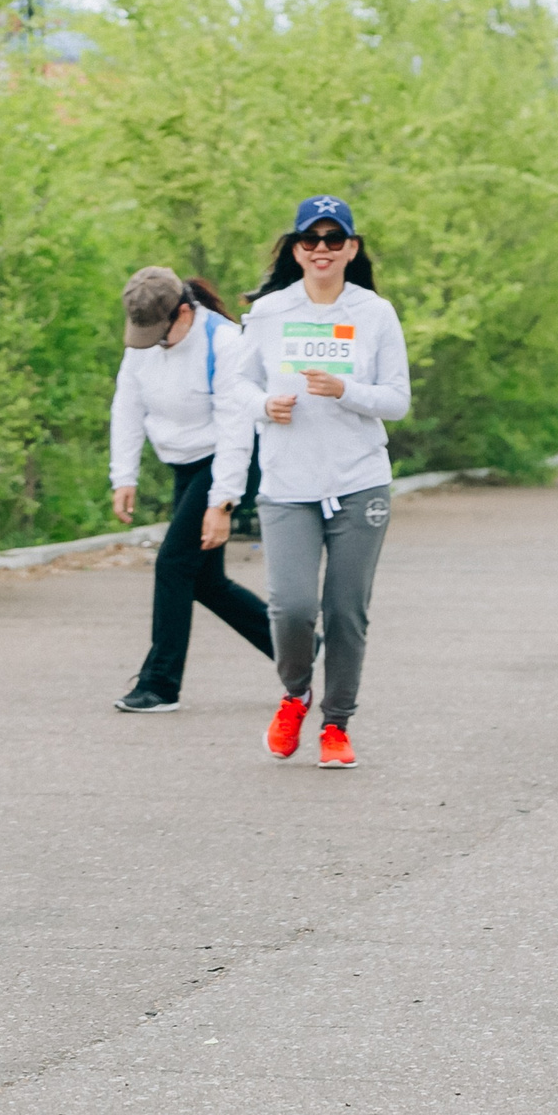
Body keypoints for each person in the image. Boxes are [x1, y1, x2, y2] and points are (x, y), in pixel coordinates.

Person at [209, 197, 412, 768]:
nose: (321, 249)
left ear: (351, 248)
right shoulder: (271, 312)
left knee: (346, 610)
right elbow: (238, 387)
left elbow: (397, 400)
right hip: (288, 484)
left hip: (359, 482)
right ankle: (295, 694)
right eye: (310, 240)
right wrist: (263, 404)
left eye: (333, 239)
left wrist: (346, 390)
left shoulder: (375, 313)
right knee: (293, 608)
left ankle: (336, 725)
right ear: (296, 250)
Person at [108, 267, 275, 713]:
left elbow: (237, 428)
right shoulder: (146, 340)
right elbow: (128, 403)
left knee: (174, 564)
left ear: (184, 313)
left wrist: (221, 503)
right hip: (182, 462)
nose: (154, 345)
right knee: (207, 581)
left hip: (225, 459)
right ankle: (302, 650)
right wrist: (124, 476)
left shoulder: (223, 342)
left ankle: (159, 685)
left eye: (161, 336)